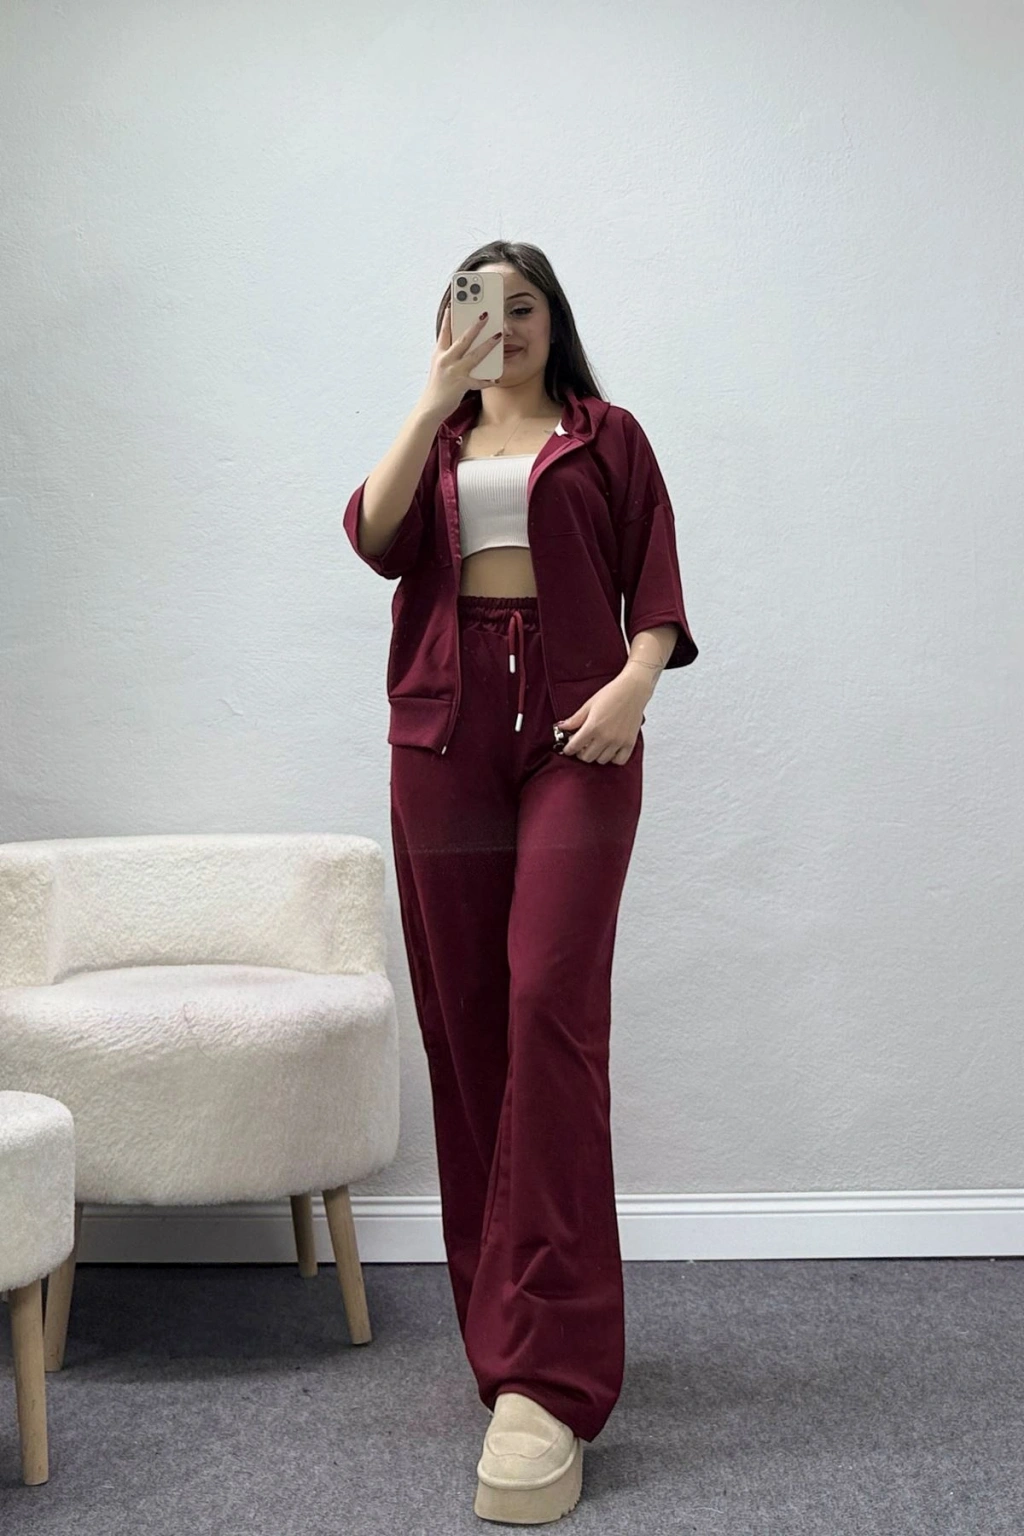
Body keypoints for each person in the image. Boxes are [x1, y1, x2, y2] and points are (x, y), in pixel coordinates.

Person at [343, 240, 698, 1524]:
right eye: (477, 302)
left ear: (555, 319)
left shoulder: (608, 438)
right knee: (470, 1033)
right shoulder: (435, 443)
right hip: (442, 741)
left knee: (548, 1011)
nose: (504, 321)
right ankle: (502, 1335)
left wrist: (634, 685)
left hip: (576, 736)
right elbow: (373, 538)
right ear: (446, 321)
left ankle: (549, 1376)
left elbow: (655, 584)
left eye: (524, 303)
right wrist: (433, 395)